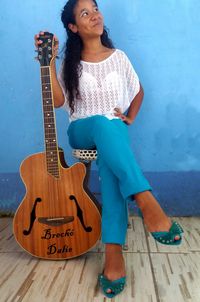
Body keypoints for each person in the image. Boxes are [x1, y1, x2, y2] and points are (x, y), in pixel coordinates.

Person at [34, 0, 184, 298]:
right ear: (73, 27)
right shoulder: (71, 63)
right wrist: (47, 62)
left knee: (112, 151)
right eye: (85, 13)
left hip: (112, 135)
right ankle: (146, 200)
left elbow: (138, 89)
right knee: (104, 124)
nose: (95, 15)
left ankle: (114, 258)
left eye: (95, 8)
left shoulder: (119, 57)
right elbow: (59, 101)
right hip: (83, 130)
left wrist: (130, 117)